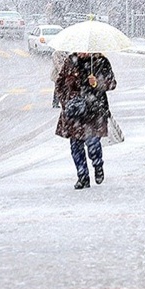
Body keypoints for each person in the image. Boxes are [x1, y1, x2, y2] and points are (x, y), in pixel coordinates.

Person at [55, 52, 116, 189]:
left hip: (94, 112)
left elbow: (112, 83)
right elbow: (59, 84)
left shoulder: (101, 61)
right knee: (76, 146)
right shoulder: (70, 61)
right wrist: (67, 101)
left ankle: (98, 164)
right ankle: (82, 176)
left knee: (93, 143)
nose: (83, 52)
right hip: (74, 113)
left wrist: (97, 83)